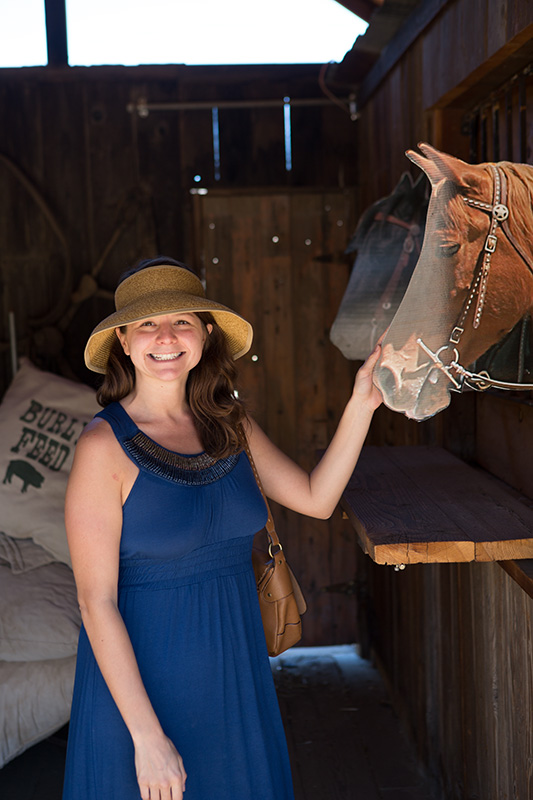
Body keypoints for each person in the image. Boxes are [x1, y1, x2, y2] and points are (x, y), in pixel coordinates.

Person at [62, 256, 383, 800]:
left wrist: (362, 403)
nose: (165, 337)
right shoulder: (102, 447)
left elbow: (316, 498)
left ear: (206, 336)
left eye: (182, 321)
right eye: (147, 324)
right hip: (142, 694)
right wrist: (147, 738)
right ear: (123, 340)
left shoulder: (230, 424)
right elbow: (97, 604)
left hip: (235, 680)